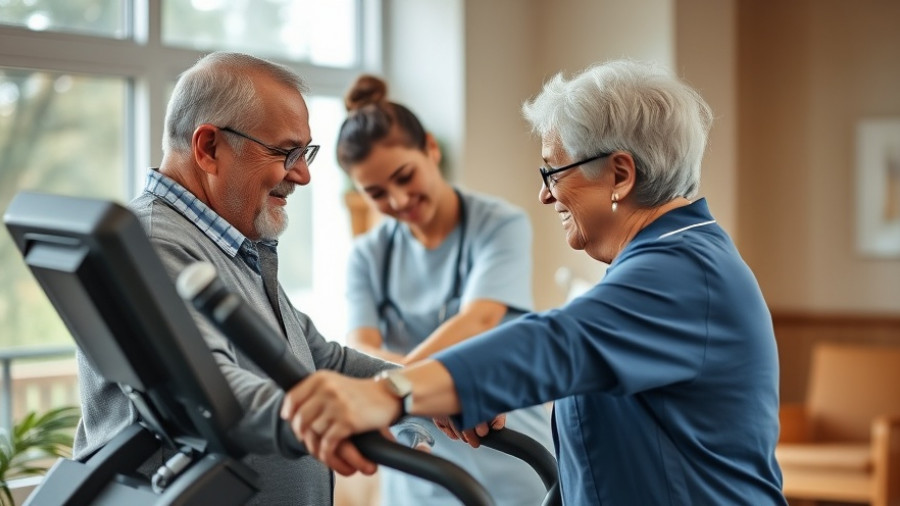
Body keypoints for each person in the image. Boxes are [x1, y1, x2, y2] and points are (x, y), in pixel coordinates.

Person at [281, 59, 788, 505]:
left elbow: (557, 341)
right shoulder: (663, 259)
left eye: (553, 172)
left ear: (620, 175)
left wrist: (392, 391)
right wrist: (471, 390)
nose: (546, 196)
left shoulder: (683, 273)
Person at [72, 51, 391, 506]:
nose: (302, 174)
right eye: (286, 152)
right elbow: (210, 390)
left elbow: (320, 360)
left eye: (305, 152)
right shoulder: (151, 244)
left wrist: (434, 389)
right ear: (209, 148)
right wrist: (329, 416)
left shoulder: (236, 247)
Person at [335, 75, 553, 505]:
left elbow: (480, 319)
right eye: (376, 192)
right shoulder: (367, 255)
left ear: (430, 149)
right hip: (419, 460)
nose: (397, 200)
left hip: (505, 445)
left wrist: (385, 389)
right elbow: (358, 345)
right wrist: (396, 391)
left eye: (404, 176)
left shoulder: (500, 224)